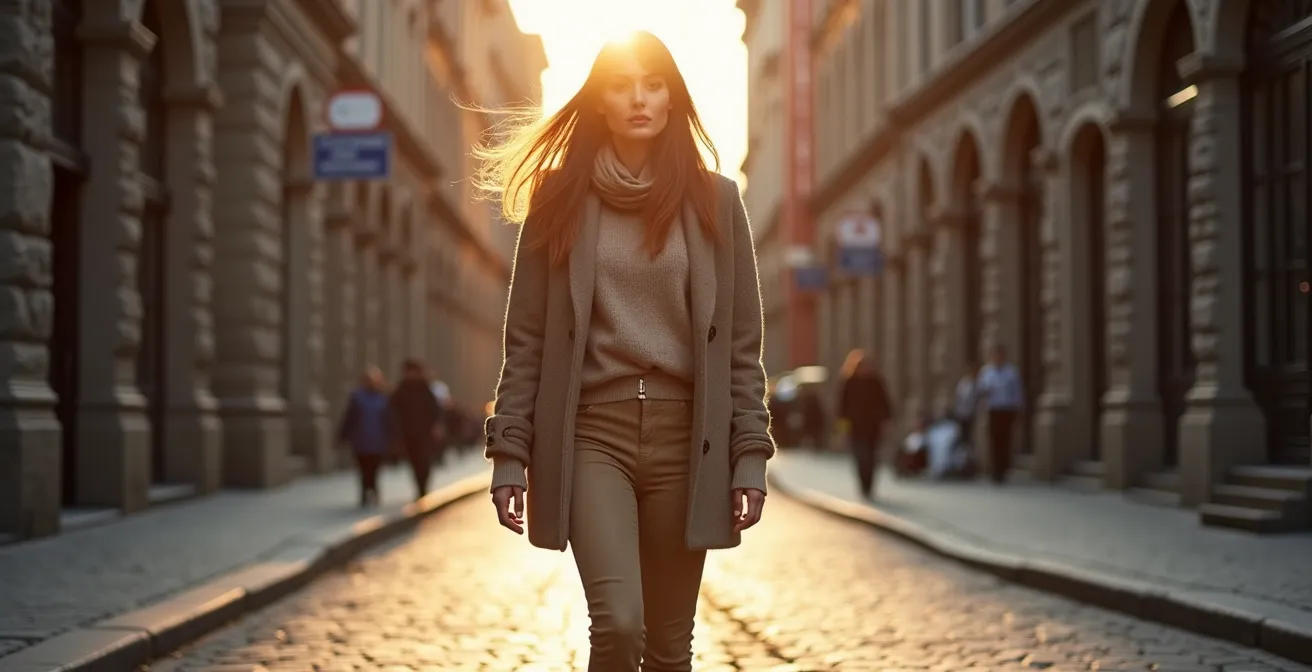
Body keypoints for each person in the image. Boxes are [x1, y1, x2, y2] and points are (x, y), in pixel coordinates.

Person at [473, 31, 775, 671]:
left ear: (672, 97)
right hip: (591, 438)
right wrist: (508, 454)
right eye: (621, 85)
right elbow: (524, 341)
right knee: (617, 624)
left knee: (669, 647)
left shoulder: (716, 200)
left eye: (653, 83)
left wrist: (750, 456)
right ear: (600, 101)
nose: (639, 98)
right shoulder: (558, 201)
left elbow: (743, 348)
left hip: (686, 440)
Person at [836, 349, 892, 500]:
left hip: (873, 426)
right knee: (861, 456)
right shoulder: (849, 382)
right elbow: (842, 407)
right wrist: (842, 429)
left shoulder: (876, 381)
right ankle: (863, 484)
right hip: (856, 427)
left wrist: (885, 420)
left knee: (872, 457)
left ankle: (869, 486)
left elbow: (885, 402)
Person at [337, 366, 394, 507]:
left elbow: (390, 420)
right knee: (363, 468)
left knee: (374, 468)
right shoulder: (357, 397)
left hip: (378, 441)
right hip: (361, 440)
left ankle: (373, 489)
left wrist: (393, 438)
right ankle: (364, 491)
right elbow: (349, 418)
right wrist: (342, 436)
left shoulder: (383, 398)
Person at [389, 359, 445, 499]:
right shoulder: (401, 390)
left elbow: (435, 409)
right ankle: (419, 487)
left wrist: (436, 426)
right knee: (414, 461)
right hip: (408, 433)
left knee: (424, 460)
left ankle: (423, 485)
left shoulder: (425, 388)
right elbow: (393, 410)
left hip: (425, 433)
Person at [977, 344, 1025, 483]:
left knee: (1006, 440)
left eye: (1000, 355)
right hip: (993, 410)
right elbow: (980, 391)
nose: (997, 358)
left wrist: (1019, 410)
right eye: (995, 355)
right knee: (994, 440)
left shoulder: (1011, 372)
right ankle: (995, 470)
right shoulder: (987, 372)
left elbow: (1017, 393)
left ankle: (1004, 469)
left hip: (1007, 410)